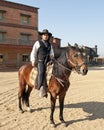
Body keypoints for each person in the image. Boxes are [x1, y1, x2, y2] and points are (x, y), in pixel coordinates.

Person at [30, 29, 54, 98]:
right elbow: (33, 52)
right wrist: (33, 60)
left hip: (49, 62)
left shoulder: (50, 45)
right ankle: (40, 87)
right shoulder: (38, 43)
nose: (45, 36)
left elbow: (52, 53)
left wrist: (52, 58)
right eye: (44, 35)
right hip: (40, 61)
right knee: (41, 72)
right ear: (42, 36)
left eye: (47, 35)